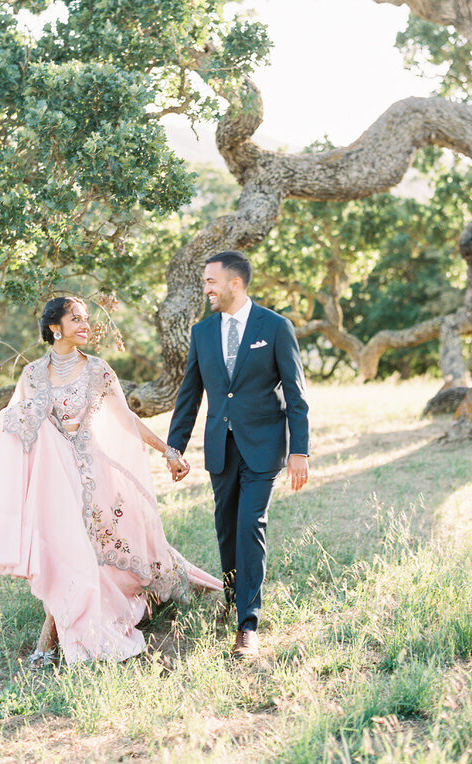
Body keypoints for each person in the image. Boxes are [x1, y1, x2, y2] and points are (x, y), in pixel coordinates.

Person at [0, 296, 222, 667]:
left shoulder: (97, 370)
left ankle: (190, 590)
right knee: (68, 557)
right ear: (54, 327)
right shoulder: (32, 375)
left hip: (97, 479)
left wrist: (167, 450)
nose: (85, 324)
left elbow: (126, 419)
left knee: (127, 554)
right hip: (53, 486)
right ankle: (49, 642)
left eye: (86, 318)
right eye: (75, 319)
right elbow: (19, 426)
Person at [167, 251, 310, 658]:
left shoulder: (275, 327)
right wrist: (174, 446)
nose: (206, 288)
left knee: (250, 525)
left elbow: (297, 396)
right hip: (220, 447)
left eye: (211, 281)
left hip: (264, 446)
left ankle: (249, 622)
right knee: (227, 529)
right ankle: (233, 596)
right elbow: (190, 394)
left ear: (236, 283)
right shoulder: (203, 332)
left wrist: (300, 451)